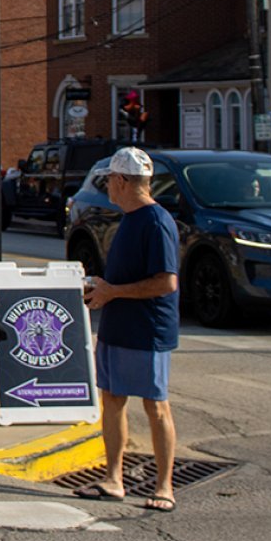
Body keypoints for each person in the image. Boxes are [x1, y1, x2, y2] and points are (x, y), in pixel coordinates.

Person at [77, 147, 180, 512]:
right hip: (117, 324)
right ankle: (114, 478)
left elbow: (166, 282)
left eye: (109, 181)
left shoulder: (156, 221)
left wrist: (113, 292)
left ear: (121, 181)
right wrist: (102, 288)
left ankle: (164, 486)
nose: (107, 187)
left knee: (155, 405)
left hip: (147, 329)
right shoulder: (129, 218)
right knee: (113, 400)